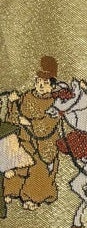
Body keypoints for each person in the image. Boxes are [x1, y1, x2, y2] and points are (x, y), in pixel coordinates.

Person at [4, 56, 61, 208]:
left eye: (45, 83)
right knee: (15, 158)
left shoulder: (55, 103)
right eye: (38, 82)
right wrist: (12, 103)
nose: (41, 85)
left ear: (52, 86)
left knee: (38, 167)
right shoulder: (27, 96)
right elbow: (12, 119)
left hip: (43, 144)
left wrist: (30, 123)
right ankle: (11, 190)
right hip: (23, 139)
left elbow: (48, 125)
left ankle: (33, 197)